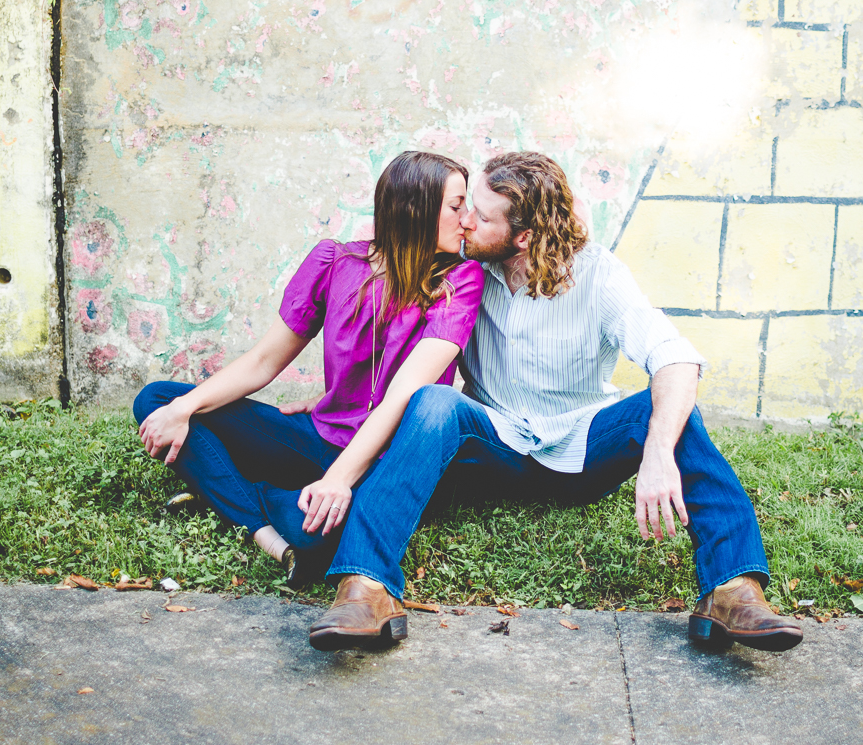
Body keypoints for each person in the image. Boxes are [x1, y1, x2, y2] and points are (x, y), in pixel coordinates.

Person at [307, 150, 801, 657]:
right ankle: (365, 588)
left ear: (522, 237)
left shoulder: (597, 274)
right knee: (435, 402)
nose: (464, 221)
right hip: (491, 445)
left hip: (582, 449)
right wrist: (333, 396)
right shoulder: (461, 270)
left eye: (480, 215)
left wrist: (657, 454)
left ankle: (732, 590)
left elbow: (674, 358)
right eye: (466, 207)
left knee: (674, 413)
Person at [133, 150, 484, 614]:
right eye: (457, 206)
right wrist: (183, 410)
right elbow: (263, 361)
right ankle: (264, 526)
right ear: (415, 209)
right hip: (317, 437)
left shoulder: (460, 280)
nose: (468, 221)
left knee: (320, 538)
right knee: (160, 400)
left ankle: (240, 496)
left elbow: (406, 391)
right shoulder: (335, 262)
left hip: (382, 460)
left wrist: (339, 480)